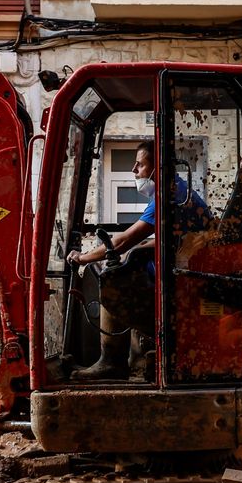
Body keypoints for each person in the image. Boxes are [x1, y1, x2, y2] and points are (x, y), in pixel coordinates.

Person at [66, 141, 209, 380]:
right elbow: (174, 240)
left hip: (182, 281)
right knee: (128, 267)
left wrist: (82, 257)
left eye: (140, 164)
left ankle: (111, 362)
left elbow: (123, 241)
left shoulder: (169, 196)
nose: (134, 170)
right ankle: (137, 359)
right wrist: (139, 248)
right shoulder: (179, 191)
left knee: (113, 279)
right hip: (185, 271)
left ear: (158, 166)